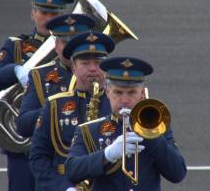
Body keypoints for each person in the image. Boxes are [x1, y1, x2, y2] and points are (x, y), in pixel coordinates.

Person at [0, 0, 74, 191]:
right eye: (43, 12)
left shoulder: (73, 51)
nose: (48, 18)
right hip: (24, 149)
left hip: (60, 148)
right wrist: (14, 70)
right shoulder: (17, 46)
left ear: (63, 16)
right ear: (33, 14)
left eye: (55, 13)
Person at [65, 56, 187, 191]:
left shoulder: (158, 126)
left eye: (131, 93)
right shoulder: (89, 130)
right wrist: (107, 155)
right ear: (107, 92)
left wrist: (151, 134)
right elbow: (71, 171)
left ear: (142, 93)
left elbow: (178, 174)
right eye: (118, 92)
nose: (124, 100)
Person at [29, 32, 115, 191]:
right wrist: (64, 188)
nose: (93, 69)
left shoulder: (117, 104)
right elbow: (38, 157)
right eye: (85, 63)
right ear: (74, 67)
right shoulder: (55, 104)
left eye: (98, 62)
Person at [17, 14, 96, 138]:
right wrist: (57, 107)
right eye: (66, 43)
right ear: (56, 45)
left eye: (78, 43)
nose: (72, 49)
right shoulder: (39, 75)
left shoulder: (102, 72)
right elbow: (23, 125)